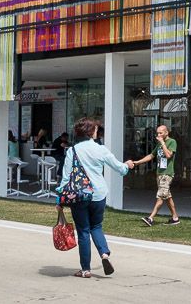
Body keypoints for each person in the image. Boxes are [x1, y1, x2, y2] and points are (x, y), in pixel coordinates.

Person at [60, 117, 130, 279]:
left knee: (84, 231)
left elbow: (65, 177)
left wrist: (60, 199)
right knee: (96, 226)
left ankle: (85, 269)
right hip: (98, 194)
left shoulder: (73, 151)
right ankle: (104, 254)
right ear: (91, 132)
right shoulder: (101, 149)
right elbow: (120, 168)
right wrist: (127, 165)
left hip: (79, 195)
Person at [133, 124, 180, 226]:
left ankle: (150, 218)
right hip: (159, 173)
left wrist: (163, 143)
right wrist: (137, 162)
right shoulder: (158, 144)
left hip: (167, 174)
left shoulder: (172, 142)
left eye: (161, 133)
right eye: (157, 133)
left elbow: (168, 156)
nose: (158, 135)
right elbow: (151, 155)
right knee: (167, 196)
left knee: (160, 196)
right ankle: (175, 218)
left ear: (166, 132)